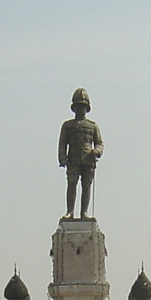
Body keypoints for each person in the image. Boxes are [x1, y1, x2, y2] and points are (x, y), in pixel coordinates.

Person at [58, 88, 104, 219]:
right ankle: (70, 212)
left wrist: (97, 151)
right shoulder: (67, 125)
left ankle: (84, 212)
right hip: (73, 158)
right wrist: (62, 158)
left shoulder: (93, 126)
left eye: (83, 106)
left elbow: (99, 143)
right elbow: (62, 143)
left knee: (86, 185)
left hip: (88, 159)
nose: (80, 109)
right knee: (72, 184)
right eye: (78, 106)